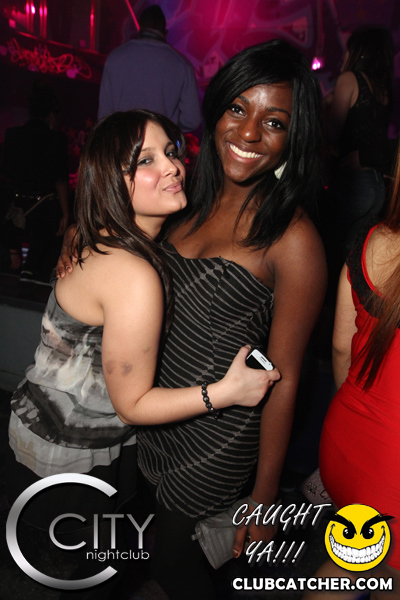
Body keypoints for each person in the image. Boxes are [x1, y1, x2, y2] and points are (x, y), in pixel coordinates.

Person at [59, 39, 327, 599]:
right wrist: (81, 231)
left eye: (274, 122)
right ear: (216, 109)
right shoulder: (183, 197)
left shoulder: (293, 238)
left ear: (293, 137)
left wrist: (264, 498)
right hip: (151, 421)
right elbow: (121, 227)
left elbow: (285, 378)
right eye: (238, 109)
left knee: (178, 570)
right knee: (140, 551)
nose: (249, 133)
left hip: (215, 442)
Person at [7, 110, 279, 599]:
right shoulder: (132, 272)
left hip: (46, 429)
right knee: (83, 582)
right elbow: (133, 404)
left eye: (170, 152)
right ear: (113, 182)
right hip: (70, 458)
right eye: (145, 161)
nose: (172, 166)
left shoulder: (105, 236)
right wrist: (227, 391)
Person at [313, 144, 400, 599]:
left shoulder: (370, 237)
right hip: (392, 476)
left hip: (344, 441)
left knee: (351, 565)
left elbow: (339, 348)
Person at [326, 26, 394, 254]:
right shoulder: (381, 89)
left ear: (358, 52)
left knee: (333, 251)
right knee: (356, 254)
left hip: (353, 184)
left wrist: (324, 106)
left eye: (348, 49)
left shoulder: (349, 79)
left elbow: (332, 133)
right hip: (377, 185)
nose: (344, 55)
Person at [2, 81, 69, 283]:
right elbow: (60, 180)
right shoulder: (56, 139)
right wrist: (66, 213)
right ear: (52, 115)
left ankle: (14, 257)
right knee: (54, 227)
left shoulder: (12, 135)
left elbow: (6, 173)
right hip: (43, 210)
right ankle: (34, 270)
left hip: (14, 206)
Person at [98, 5, 202, 133]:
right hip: (161, 140)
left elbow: (104, 116)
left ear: (140, 27)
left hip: (123, 141)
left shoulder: (115, 57)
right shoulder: (182, 64)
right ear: (165, 33)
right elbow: (192, 120)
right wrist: (169, 129)